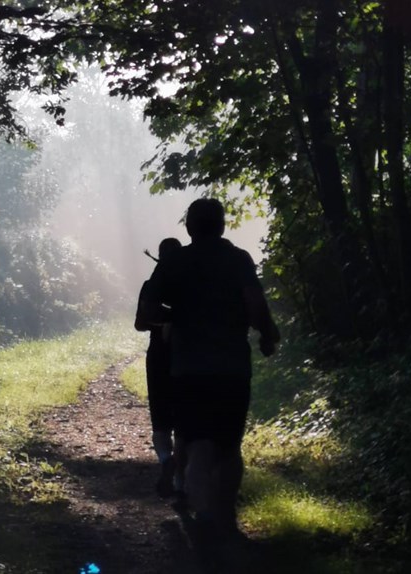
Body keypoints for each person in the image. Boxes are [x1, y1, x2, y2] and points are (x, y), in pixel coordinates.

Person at [149, 198, 279, 536]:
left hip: (187, 370)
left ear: (189, 227)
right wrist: (267, 334)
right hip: (231, 369)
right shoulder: (238, 260)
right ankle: (225, 519)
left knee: (194, 441)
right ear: (222, 226)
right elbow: (255, 305)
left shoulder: (175, 262)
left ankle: (203, 512)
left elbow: (148, 310)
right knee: (229, 445)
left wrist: (179, 315)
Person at [134, 237, 186, 498]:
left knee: (160, 417)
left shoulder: (151, 286)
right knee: (185, 419)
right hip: (188, 357)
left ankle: (166, 460)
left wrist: (162, 323)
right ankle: (181, 483)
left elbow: (139, 324)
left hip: (158, 357)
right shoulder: (193, 285)